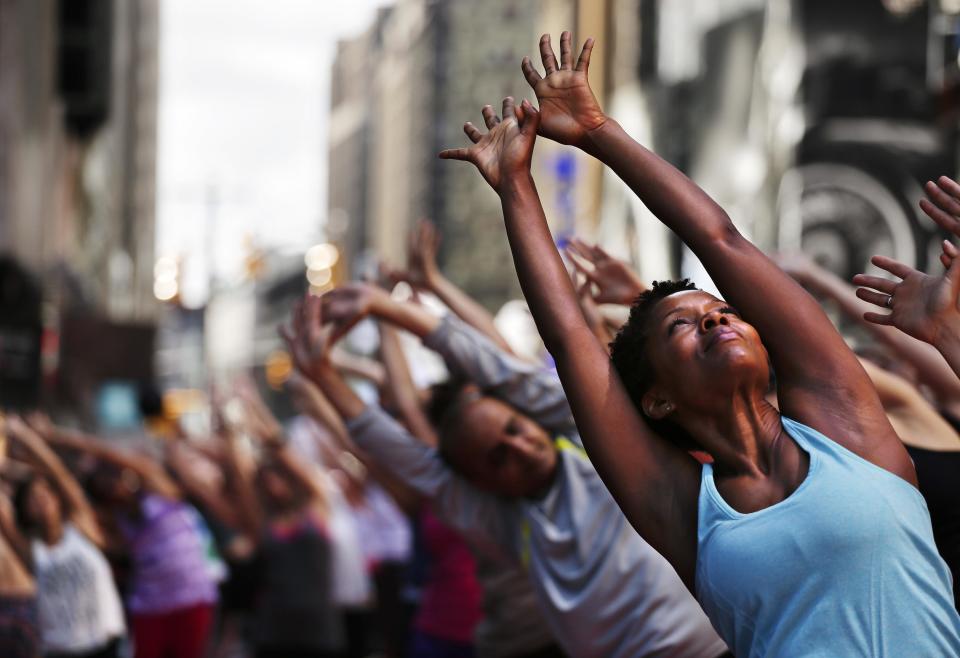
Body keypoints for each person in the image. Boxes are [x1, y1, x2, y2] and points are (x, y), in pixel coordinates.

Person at [437, 30, 960, 656]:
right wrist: (515, 186)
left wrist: (599, 131)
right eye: (679, 327)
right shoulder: (685, 511)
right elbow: (572, 340)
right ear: (656, 400)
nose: (713, 320)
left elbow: (722, 240)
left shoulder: (844, 424)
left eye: (720, 311)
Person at [282, 290, 728, 658]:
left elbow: (500, 368)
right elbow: (403, 456)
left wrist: (384, 305)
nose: (520, 447)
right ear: (482, 482)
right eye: (497, 456)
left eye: (515, 428)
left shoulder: (597, 442)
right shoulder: (504, 522)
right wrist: (323, 377)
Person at [37, 423, 222, 658]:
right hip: (150, 608)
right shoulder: (116, 524)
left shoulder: (161, 491)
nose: (113, 485)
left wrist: (61, 438)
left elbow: (110, 453)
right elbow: (73, 498)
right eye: (102, 484)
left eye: (113, 475)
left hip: (193, 600)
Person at [220, 380, 346, 658]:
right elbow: (241, 476)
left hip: (319, 631)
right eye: (267, 482)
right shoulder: (264, 519)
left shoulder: (316, 506)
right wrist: (228, 425)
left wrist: (255, 407)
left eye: (279, 478)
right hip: (274, 631)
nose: (274, 487)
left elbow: (283, 451)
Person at [7, 417, 125, 658]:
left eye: (45, 492)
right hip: (59, 651)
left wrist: (24, 436)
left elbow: (58, 472)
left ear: (58, 497)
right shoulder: (31, 550)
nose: (41, 499)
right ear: (25, 509)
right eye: (32, 497)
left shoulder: (80, 527)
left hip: (105, 645)